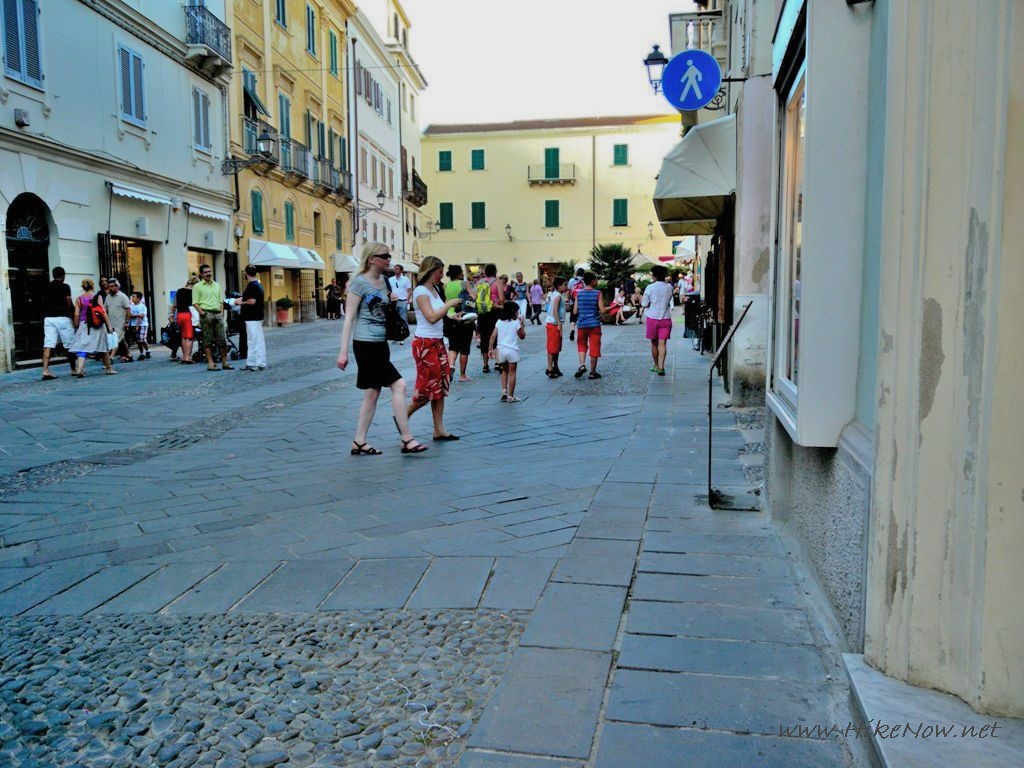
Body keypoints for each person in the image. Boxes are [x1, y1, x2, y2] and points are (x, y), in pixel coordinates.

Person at [336, 242, 428, 455]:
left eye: (389, 256)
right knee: (399, 385)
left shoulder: (385, 281)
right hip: (365, 344)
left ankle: (359, 441)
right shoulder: (358, 283)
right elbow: (349, 319)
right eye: (384, 256)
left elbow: (387, 313)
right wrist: (343, 352)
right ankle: (407, 438)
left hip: (380, 343)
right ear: (371, 259)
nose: (388, 259)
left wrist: (393, 301)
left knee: (372, 392)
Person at [407, 256, 462, 439]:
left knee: (441, 385)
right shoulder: (421, 291)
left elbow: (438, 314)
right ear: (431, 271)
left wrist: (452, 316)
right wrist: (449, 305)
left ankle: (438, 429)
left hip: (437, 342)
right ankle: (402, 416)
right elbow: (430, 317)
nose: (441, 275)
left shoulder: (435, 289)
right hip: (425, 343)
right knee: (426, 389)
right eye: (439, 272)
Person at [69, 278, 116, 376]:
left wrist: (76, 325)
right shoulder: (97, 297)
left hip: (84, 325)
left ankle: (79, 370)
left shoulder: (79, 299)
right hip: (98, 325)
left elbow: (76, 314)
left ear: (83, 287)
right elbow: (102, 311)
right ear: (93, 286)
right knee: (103, 347)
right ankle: (108, 369)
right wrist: (109, 325)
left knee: (82, 348)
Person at [193, 264, 232, 371]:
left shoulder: (217, 285)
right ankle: (211, 363)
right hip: (206, 314)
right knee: (207, 340)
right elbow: (195, 303)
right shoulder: (197, 287)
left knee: (222, 340)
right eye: (205, 272)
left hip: (217, 314)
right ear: (201, 274)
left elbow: (220, 301)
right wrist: (202, 313)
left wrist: (221, 312)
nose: (208, 274)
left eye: (209, 271)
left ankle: (225, 362)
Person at [40, 266, 75, 380]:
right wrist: (72, 312)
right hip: (63, 317)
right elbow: (68, 301)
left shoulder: (46, 286)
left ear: (53, 275)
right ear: (63, 275)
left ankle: (45, 370)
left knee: (48, 345)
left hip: (49, 318)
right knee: (69, 345)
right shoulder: (65, 287)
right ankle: (73, 369)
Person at [443, 264, 475, 383]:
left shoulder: (447, 285)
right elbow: (473, 296)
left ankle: (451, 365)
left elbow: (446, 301)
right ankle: (462, 375)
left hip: (450, 316)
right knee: (464, 348)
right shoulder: (464, 283)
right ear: (459, 274)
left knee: (453, 346)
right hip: (464, 316)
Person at [490, 301, 526, 402]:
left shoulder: (499, 322)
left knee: (504, 371)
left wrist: (490, 349)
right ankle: (510, 396)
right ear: (513, 311)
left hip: (501, 351)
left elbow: (493, 336)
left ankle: (504, 391)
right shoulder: (516, 322)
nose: (518, 313)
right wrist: (522, 324)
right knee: (512, 373)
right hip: (512, 351)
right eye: (517, 311)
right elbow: (522, 336)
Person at [642, 264, 675, 376]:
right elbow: (669, 300)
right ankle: (662, 367)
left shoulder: (649, 288)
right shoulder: (669, 287)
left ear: (654, 275)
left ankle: (656, 365)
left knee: (654, 343)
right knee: (663, 344)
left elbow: (644, 304)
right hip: (666, 318)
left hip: (652, 318)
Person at [572, 271, 606, 379]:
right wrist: (613, 307)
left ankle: (582, 365)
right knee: (594, 347)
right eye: (596, 279)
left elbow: (574, 311)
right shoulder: (598, 293)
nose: (597, 281)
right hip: (594, 325)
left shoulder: (579, 294)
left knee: (582, 345)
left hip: (582, 325)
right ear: (592, 281)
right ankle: (592, 372)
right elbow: (603, 310)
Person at [239, 264, 267, 371]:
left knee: (254, 340)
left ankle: (257, 363)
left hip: (252, 317)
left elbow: (252, 301)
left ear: (246, 273)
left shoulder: (252, 286)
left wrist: (240, 302)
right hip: (256, 316)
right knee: (254, 340)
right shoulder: (258, 285)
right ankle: (252, 362)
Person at [475, 263, 501, 374]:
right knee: (495, 337)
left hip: (482, 313)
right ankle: (497, 362)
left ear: (485, 272)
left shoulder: (479, 283)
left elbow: (475, 297)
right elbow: (502, 298)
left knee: (484, 339)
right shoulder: (497, 282)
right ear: (495, 271)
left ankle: (485, 365)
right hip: (494, 312)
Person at [104, 278, 132, 362]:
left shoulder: (122, 296)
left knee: (115, 340)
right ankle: (129, 355)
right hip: (111, 323)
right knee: (121, 340)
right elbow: (105, 309)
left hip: (121, 323)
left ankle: (111, 357)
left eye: (112, 286)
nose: (110, 288)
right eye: (109, 286)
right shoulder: (108, 297)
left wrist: (127, 322)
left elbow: (128, 309)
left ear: (117, 286)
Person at [545, 277, 567, 378]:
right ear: (559, 286)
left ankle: (555, 367)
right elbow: (555, 310)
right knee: (552, 347)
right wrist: (559, 324)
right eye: (564, 285)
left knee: (556, 347)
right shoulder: (558, 296)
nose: (566, 287)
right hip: (553, 324)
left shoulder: (556, 294)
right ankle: (550, 368)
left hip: (554, 323)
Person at [173, 276, 198, 363]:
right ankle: (188, 357)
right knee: (189, 337)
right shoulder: (193, 292)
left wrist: (172, 315)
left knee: (183, 336)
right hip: (188, 315)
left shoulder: (179, 290)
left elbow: (174, 304)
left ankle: (184, 356)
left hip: (180, 314)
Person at [391, 264, 412, 344]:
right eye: (395, 269)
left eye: (397, 269)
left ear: (401, 270)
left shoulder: (405, 279)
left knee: (403, 319)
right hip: (393, 302)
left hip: (402, 301)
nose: (396, 270)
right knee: (394, 320)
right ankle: (395, 337)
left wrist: (407, 300)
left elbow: (410, 290)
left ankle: (402, 338)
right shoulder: (391, 279)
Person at [128, 292, 150, 360]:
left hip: (143, 324)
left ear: (138, 299)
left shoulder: (142, 306)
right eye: (132, 297)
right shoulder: (131, 306)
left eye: (134, 297)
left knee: (142, 338)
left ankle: (147, 351)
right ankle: (141, 353)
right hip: (134, 324)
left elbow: (142, 316)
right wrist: (137, 315)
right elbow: (130, 315)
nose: (132, 298)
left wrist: (137, 325)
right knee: (138, 340)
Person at [566, 267, 585, 341]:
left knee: (573, 316)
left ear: (576, 273)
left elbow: (568, 291)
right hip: (581, 302)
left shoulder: (572, 280)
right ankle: (581, 333)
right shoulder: (583, 281)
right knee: (580, 317)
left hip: (572, 301)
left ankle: (572, 329)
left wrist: (567, 301)